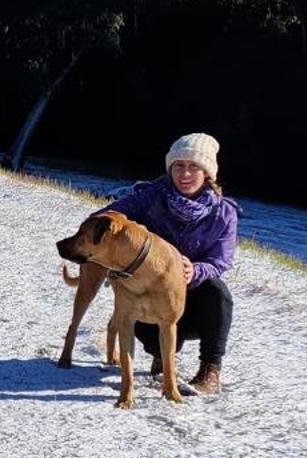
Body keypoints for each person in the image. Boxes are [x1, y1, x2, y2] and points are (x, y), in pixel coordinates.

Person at [99, 132, 237, 395]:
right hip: (150, 287)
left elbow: (220, 260)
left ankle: (210, 369)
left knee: (219, 294)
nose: (185, 174)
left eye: (193, 166)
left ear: (207, 173)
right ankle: (161, 356)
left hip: (192, 291)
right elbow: (109, 216)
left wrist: (195, 270)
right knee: (140, 313)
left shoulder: (224, 213)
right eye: (178, 166)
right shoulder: (151, 196)